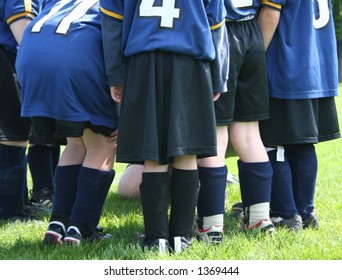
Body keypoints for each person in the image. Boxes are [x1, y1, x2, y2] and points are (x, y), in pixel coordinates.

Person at [100, 0, 228, 253]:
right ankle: (182, 237)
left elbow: (112, 21)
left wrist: (115, 74)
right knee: (187, 150)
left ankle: (155, 238)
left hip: (143, 63)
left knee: (152, 151)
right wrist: (218, 76)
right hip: (191, 61)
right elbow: (217, 23)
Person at [16, 0, 119, 245]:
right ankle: (82, 227)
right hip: (73, 59)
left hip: (31, 58)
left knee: (76, 143)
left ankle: (58, 222)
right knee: (102, 144)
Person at [195, 0, 276, 245]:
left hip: (220, 32)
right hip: (251, 32)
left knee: (216, 134)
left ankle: (211, 225)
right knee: (250, 134)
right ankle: (260, 219)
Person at [257, 0, 340, 230]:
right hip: (316, 68)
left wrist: (253, 57)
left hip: (286, 67)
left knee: (274, 143)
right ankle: (305, 211)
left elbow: (271, 14)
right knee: (303, 144)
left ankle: (286, 213)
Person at [0, 0, 45, 221]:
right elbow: (24, 34)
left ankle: (18, 204)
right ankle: (10, 211)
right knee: (13, 137)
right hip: (6, 60)